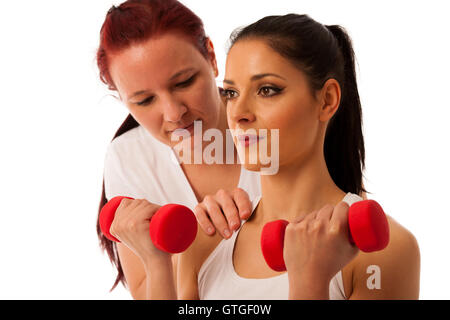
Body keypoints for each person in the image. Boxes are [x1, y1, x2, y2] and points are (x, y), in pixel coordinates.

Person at [176, 14, 420, 299]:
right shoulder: (206, 240)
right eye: (231, 92)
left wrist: (310, 282)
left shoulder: (381, 250)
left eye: (267, 90)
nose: (238, 112)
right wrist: (154, 260)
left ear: (327, 100)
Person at [96, 0, 261, 299]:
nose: (173, 113)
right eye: (144, 101)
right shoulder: (128, 158)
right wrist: (180, 256)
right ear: (121, 98)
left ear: (211, 56)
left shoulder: (275, 132)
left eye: (184, 82)